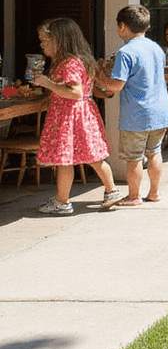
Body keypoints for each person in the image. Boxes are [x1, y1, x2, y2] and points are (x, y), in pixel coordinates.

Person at [32, 18, 123, 214]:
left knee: (65, 160)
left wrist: (47, 84)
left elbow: (75, 92)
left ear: (60, 41)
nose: (42, 45)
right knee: (94, 157)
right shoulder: (78, 60)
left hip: (70, 117)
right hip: (82, 115)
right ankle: (111, 191)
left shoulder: (69, 63)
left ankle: (62, 202)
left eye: (45, 40)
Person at [99, 4, 168, 206]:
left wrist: (97, 79)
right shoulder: (156, 48)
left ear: (122, 26)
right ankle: (154, 193)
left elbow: (116, 85)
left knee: (133, 159)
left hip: (137, 114)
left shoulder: (125, 52)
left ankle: (134, 196)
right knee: (154, 153)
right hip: (160, 112)